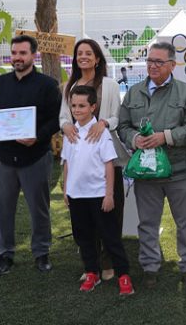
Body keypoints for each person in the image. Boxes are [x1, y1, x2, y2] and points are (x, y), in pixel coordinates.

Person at [117, 41, 186, 288]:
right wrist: (134, 138)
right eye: (149, 61)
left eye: (158, 62)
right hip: (146, 173)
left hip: (180, 171)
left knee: (185, 221)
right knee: (147, 223)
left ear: (172, 65)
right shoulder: (134, 93)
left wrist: (165, 136)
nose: (152, 66)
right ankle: (150, 267)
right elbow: (123, 126)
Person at [0, 34, 62, 276]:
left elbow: (56, 120)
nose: (17, 58)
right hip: (4, 156)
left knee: (39, 207)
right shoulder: (0, 83)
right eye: (14, 53)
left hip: (35, 156)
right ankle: (5, 253)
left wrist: (37, 136)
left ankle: (41, 252)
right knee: (3, 208)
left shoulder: (48, 85)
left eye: (22, 54)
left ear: (33, 55)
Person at [59, 38, 129, 282]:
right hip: (78, 161)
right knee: (84, 217)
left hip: (107, 158)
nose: (84, 57)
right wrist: (66, 126)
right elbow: (63, 117)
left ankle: (110, 261)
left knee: (110, 214)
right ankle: (91, 265)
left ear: (98, 58)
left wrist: (103, 123)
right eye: (80, 53)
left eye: (89, 53)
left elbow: (117, 117)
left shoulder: (109, 85)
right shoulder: (69, 86)